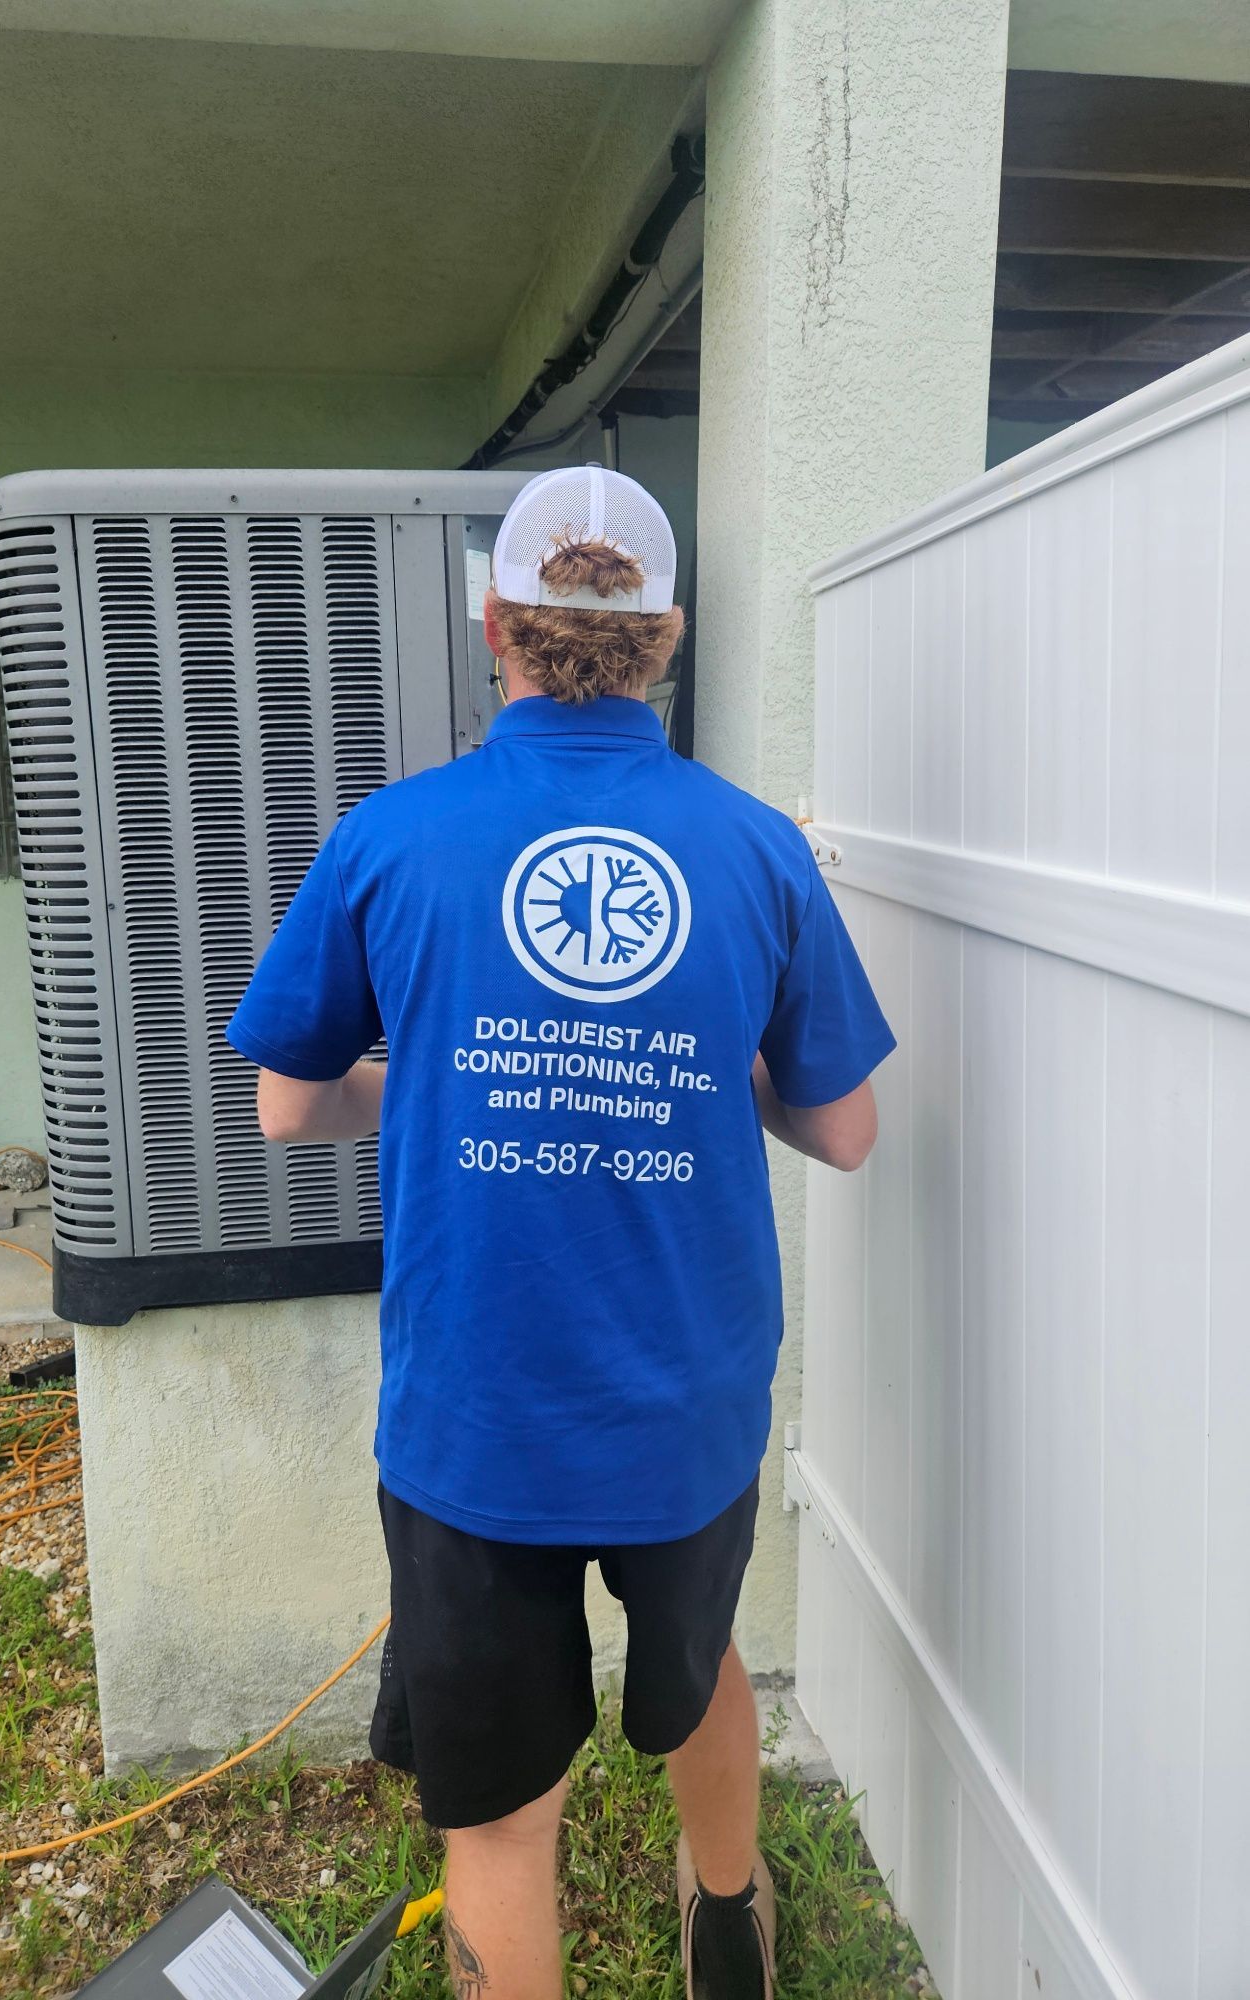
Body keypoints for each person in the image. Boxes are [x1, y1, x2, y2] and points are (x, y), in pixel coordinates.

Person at [226, 465, 895, 2000]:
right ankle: (728, 1924)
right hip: (689, 1401)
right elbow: (844, 1128)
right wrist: (708, 1071)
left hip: (478, 1417)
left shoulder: (392, 840)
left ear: (492, 624)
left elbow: (288, 1106)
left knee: (502, 1814)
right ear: (663, 636)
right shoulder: (756, 848)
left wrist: (440, 1080)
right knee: (702, 1659)